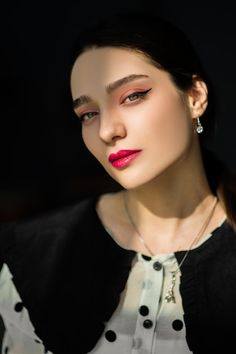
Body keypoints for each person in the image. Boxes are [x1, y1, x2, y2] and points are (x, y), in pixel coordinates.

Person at [1, 11, 236, 354]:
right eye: (89, 114)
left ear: (195, 97)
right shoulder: (31, 255)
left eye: (132, 96)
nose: (107, 130)